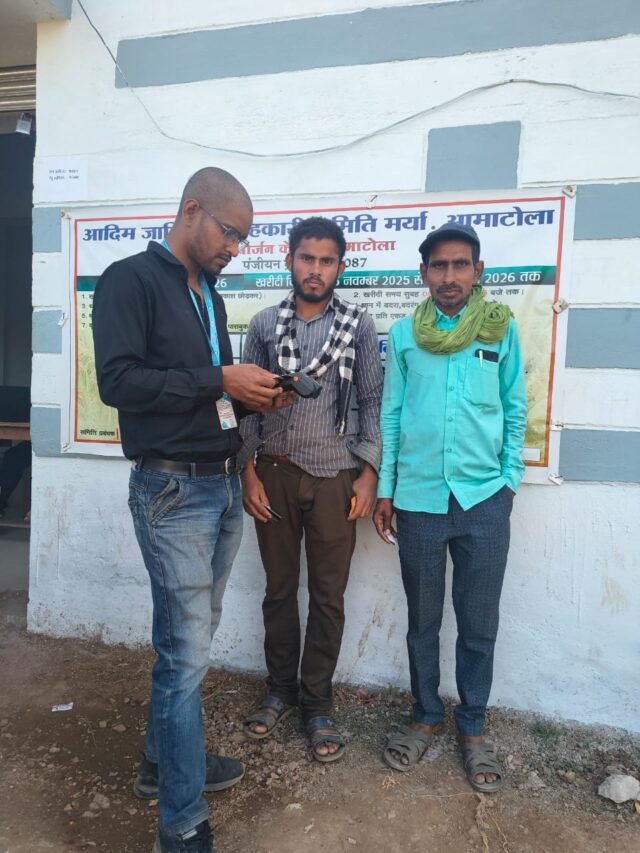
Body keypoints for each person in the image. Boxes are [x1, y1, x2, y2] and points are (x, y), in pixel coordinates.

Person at [92, 167, 291, 853]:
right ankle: (180, 822)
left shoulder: (208, 291)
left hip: (224, 482)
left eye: (243, 240)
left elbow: (208, 390)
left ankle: (162, 762)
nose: (235, 248)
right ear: (191, 210)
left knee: (187, 640)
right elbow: (119, 381)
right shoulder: (129, 280)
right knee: (186, 654)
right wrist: (219, 378)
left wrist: (253, 396)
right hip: (172, 492)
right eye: (230, 233)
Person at [373, 222, 527, 793]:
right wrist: (386, 489)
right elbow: (391, 416)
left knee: (479, 623)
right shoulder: (404, 335)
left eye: (460, 265)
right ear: (423, 274)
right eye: (438, 266)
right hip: (418, 500)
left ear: (477, 271)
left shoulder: (500, 328)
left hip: (484, 499)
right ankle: (425, 714)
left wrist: (509, 481)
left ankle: (473, 726)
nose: (449, 276)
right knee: (423, 621)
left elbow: (515, 406)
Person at [239, 216, 383, 762]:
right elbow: (245, 407)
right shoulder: (263, 324)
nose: (315, 270)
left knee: (327, 596)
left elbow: (371, 400)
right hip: (273, 473)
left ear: (340, 267)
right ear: (289, 261)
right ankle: (279, 689)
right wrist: (248, 472)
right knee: (278, 590)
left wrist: (368, 473)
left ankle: (317, 704)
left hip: (335, 478)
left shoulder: (357, 325)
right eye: (307, 258)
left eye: (326, 261)